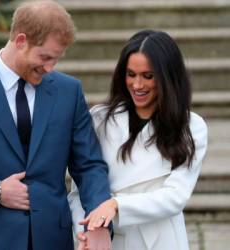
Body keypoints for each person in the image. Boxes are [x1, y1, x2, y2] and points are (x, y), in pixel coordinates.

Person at [0, 1, 112, 249]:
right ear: (20, 40)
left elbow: (89, 165)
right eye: (45, 57)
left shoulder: (69, 91)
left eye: (56, 60)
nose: (49, 68)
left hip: (52, 240)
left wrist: (99, 223)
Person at [68, 29, 208, 250]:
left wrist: (116, 205)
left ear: (167, 77)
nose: (137, 85)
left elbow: (176, 196)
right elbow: (80, 189)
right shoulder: (100, 119)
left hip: (161, 241)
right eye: (131, 74)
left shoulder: (191, 126)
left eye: (148, 76)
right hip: (106, 239)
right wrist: (85, 230)